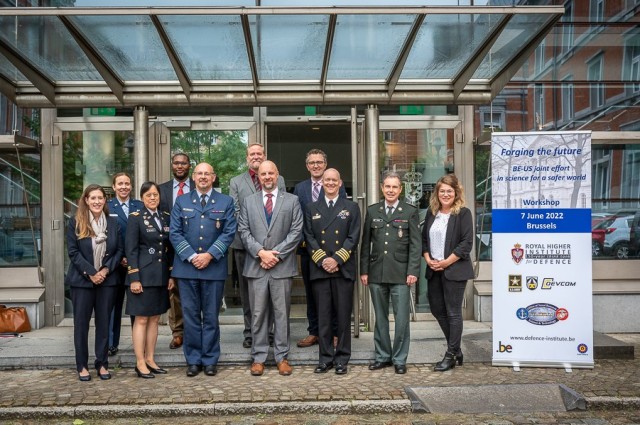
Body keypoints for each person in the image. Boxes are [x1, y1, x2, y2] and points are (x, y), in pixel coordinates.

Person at [169, 162, 236, 377]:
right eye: (199, 174)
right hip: (187, 269)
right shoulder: (182, 201)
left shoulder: (226, 201)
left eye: (207, 174)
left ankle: (210, 359)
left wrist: (209, 255)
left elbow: (229, 233)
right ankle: (193, 360)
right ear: (194, 178)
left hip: (213, 268)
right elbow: (175, 233)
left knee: (210, 317)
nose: (203, 177)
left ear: (214, 177)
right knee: (189, 317)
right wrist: (191, 256)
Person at [237, 160, 303, 377]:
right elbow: (243, 231)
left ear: (277, 175)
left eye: (270, 173)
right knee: (258, 314)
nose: (267, 177)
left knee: (282, 314)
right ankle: (258, 357)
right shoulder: (248, 201)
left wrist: (275, 254)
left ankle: (282, 356)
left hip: (281, 267)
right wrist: (260, 253)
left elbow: (296, 231)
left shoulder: (292, 201)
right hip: (256, 266)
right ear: (258, 176)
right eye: (263, 174)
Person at [359, 172, 421, 375]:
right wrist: (364, 270)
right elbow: (365, 243)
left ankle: (400, 358)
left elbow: (415, 245)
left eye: (395, 187)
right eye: (387, 186)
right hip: (376, 273)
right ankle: (382, 356)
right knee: (381, 318)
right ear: (381, 187)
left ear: (400, 189)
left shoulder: (409, 211)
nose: (391, 190)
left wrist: (413, 271)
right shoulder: (372, 210)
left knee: (402, 319)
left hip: (401, 274)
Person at [303, 168, 361, 375]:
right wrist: (323, 260)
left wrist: (336, 259)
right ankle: (325, 358)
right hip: (320, 270)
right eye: (326, 180)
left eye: (333, 180)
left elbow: (353, 238)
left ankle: (342, 359)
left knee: (343, 316)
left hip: (342, 268)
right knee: (324, 317)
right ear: (322, 183)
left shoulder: (352, 207)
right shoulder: (311, 208)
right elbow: (309, 237)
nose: (329, 183)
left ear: (340, 182)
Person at [65, 184, 123, 381]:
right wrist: (91, 273)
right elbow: (73, 252)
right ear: (86, 200)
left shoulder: (113, 224)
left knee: (104, 324)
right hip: (82, 281)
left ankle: (102, 363)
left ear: (105, 200)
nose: (97, 201)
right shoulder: (75, 222)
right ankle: (82, 365)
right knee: (81, 325)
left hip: (107, 280)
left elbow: (119, 251)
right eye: (93, 198)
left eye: (100, 198)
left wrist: (105, 269)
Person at [229, 144, 285, 349]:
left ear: (264, 156)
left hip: (273, 248)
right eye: (252, 154)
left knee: (271, 292)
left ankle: (269, 332)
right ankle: (250, 333)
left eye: (259, 154)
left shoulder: (280, 180)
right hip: (245, 246)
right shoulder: (236, 182)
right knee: (248, 292)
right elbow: (236, 212)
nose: (255, 156)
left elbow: (282, 211)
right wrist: (257, 245)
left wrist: (268, 246)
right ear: (247, 158)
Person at [293, 149, 346, 348]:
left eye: (319, 162)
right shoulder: (300, 189)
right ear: (307, 166)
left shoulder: (335, 184)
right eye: (312, 162)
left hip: (333, 253)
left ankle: (333, 332)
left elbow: (342, 215)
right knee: (311, 292)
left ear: (325, 164)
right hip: (309, 250)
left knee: (332, 293)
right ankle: (314, 331)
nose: (316, 165)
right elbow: (297, 219)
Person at [421, 174, 474, 372]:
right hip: (433, 270)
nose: (445, 194)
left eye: (449, 191)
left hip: (454, 270)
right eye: (442, 191)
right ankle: (457, 348)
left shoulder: (463, 213)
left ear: (456, 193)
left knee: (453, 313)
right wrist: (428, 259)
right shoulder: (431, 212)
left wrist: (445, 262)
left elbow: (466, 244)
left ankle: (451, 354)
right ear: (437, 193)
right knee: (437, 310)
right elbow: (423, 240)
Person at [125, 181, 174, 379]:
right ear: (142, 197)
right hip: (142, 277)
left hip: (160, 276)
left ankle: (151, 359)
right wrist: (134, 277)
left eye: (155, 194)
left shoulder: (165, 217)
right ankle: (139, 362)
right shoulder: (136, 218)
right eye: (148, 195)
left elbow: (169, 249)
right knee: (142, 318)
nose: (152, 198)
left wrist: (170, 275)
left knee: (154, 319)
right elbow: (131, 249)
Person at [159, 153, 194, 351]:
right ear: (172, 165)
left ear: (189, 166)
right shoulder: (162, 190)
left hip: (196, 248)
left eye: (183, 163)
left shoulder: (197, 187)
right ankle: (178, 332)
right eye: (176, 163)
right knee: (175, 293)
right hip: (170, 249)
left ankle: (194, 331)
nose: (180, 166)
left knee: (194, 292)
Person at [106, 172, 143, 357]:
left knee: (137, 306)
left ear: (131, 186)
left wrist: (133, 258)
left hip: (136, 264)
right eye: (120, 183)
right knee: (113, 304)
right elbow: (105, 236)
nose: (123, 187)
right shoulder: (106, 207)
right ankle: (112, 343)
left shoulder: (140, 206)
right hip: (115, 263)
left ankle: (140, 343)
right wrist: (120, 257)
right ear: (113, 187)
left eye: (127, 183)